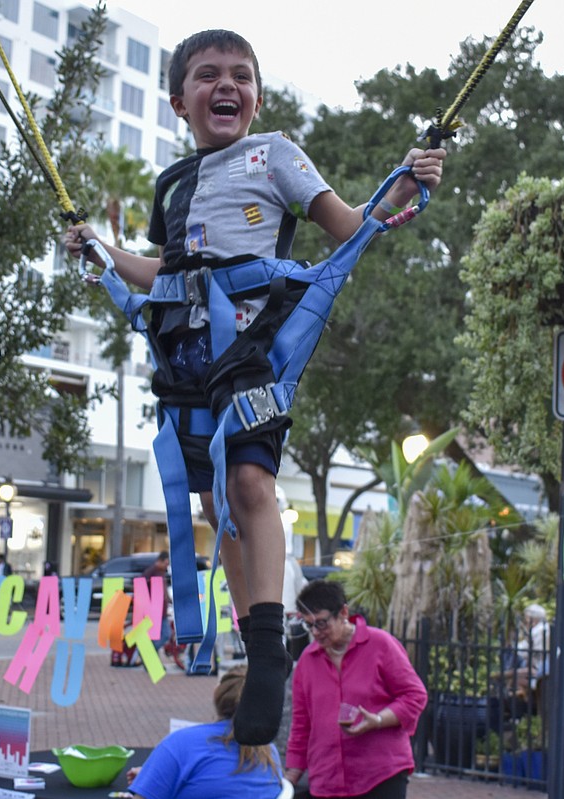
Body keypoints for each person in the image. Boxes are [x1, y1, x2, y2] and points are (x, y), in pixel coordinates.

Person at [65, 28, 445, 745]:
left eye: (241, 75)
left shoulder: (275, 154)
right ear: (180, 100)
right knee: (218, 500)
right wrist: (100, 252)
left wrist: (407, 179)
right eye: (207, 76)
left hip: (251, 341)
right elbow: (168, 272)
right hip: (186, 350)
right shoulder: (173, 184)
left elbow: (349, 226)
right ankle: (250, 637)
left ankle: (269, 646)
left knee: (248, 480)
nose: (226, 85)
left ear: (258, 97)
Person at [285, 580, 427, 799]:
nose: (315, 632)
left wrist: (378, 720)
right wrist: (290, 780)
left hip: (380, 773)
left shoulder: (380, 644)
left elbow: (415, 695)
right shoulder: (307, 661)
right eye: (308, 625)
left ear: (343, 612)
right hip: (327, 778)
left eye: (321, 623)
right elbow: (301, 724)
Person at [127, 665, 284, 799]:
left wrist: (155, 776)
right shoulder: (269, 752)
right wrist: (153, 775)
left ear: (217, 693)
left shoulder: (180, 745)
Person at [143, 551, 172, 650]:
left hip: (161, 610)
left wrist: (169, 600)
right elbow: (141, 586)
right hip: (155, 611)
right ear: (160, 561)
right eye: (166, 563)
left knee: (158, 636)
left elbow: (163, 590)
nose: (166, 566)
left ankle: (152, 658)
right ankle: (148, 651)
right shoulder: (152, 571)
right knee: (166, 634)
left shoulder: (161, 572)